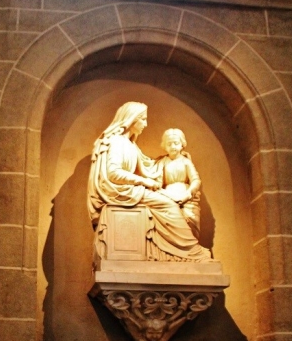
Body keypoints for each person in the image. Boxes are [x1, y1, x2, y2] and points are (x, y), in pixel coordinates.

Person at [88, 102, 211, 262]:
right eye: (143, 119)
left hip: (128, 188)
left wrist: (167, 165)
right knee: (168, 205)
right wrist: (144, 182)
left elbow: (148, 166)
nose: (146, 124)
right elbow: (113, 174)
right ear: (132, 120)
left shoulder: (130, 144)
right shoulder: (117, 142)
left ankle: (179, 251)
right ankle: (191, 252)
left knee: (167, 200)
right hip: (118, 191)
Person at [157, 128, 202, 239]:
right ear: (164, 146)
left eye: (176, 143)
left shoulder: (186, 161)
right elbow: (157, 183)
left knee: (190, 219)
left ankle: (190, 249)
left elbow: (196, 180)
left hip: (186, 196)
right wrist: (164, 194)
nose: (173, 146)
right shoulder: (162, 162)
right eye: (169, 144)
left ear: (182, 144)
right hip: (168, 196)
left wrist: (188, 194)